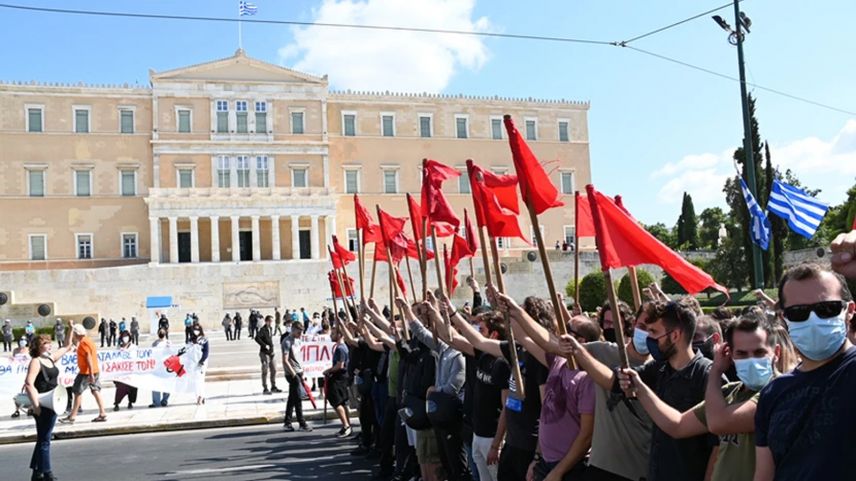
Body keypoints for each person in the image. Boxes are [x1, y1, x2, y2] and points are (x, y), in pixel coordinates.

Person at [567, 299, 719, 481]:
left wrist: (639, 387)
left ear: (675, 335)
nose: (649, 338)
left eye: (654, 332)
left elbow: (717, 446)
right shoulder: (659, 368)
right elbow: (614, 381)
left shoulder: (707, 376)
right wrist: (578, 351)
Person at [754, 263, 856, 481]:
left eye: (827, 309)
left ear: (850, 311)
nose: (813, 320)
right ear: (783, 318)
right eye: (798, 312)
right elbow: (764, 474)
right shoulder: (773, 392)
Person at [24, 332, 73, 481]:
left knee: (42, 439)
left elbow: (66, 346)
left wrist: (70, 330)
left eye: (49, 342)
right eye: (46, 343)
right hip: (43, 404)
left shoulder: (49, 359)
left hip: (53, 402)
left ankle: (36, 472)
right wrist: (36, 405)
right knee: (45, 439)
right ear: (39, 346)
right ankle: (47, 473)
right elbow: (29, 383)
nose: (49, 344)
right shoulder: (36, 361)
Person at [60, 322, 108, 424]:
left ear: (77, 334)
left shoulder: (83, 343)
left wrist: (90, 374)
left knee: (77, 392)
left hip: (86, 372)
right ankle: (102, 412)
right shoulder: (88, 341)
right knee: (95, 390)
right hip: (94, 370)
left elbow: (88, 358)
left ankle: (72, 416)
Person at [281, 320, 311, 431]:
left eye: (301, 332)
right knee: (298, 398)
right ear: (293, 330)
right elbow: (285, 360)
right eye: (299, 332)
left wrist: (301, 372)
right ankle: (302, 423)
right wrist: (294, 374)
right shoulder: (287, 342)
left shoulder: (297, 341)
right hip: (292, 374)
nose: (300, 335)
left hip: (298, 372)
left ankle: (287, 422)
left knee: (292, 398)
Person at [324, 325, 352, 438]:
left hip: (338, 378)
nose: (331, 336)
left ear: (340, 335)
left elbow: (340, 365)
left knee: (337, 402)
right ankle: (347, 425)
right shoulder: (341, 347)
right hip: (341, 377)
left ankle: (346, 426)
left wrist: (328, 371)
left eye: (333, 333)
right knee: (343, 402)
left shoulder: (341, 348)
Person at [256, 315, 281, 395]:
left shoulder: (270, 328)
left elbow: (270, 340)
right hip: (264, 353)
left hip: (271, 353)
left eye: (272, 321)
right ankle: (265, 388)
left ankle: (273, 386)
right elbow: (257, 338)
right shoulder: (262, 329)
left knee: (274, 369)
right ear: (266, 321)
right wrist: (264, 345)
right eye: (270, 321)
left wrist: (272, 350)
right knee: (265, 370)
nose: (271, 323)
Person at [113, 331, 138, 411]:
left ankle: (130, 402)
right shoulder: (118, 348)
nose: (125, 337)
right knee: (120, 388)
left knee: (132, 388)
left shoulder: (134, 347)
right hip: (122, 373)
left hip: (131, 372)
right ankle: (117, 403)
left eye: (127, 336)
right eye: (124, 336)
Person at [150, 329, 171, 408]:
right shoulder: (155, 343)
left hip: (166, 366)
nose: (161, 333)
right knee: (155, 384)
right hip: (157, 366)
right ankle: (156, 402)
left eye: (163, 332)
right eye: (160, 332)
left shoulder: (168, 343)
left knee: (167, 384)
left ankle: (164, 400)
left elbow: (172, 353)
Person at [191, 324, 209, 405]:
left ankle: (200, 397)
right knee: (195, 381)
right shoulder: (191, 339)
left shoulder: (204, 339)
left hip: (202, 362)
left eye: (197, 329)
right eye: (195, 329)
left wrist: (201, 361)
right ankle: (199, 396)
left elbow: (206, 351)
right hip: (193, 362)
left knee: (200, 380)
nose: (196, 331)